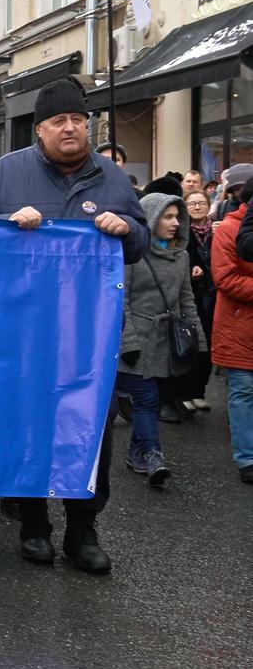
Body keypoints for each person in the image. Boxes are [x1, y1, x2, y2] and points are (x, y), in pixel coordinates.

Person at [0, 77, 149, 574]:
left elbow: (140, 243)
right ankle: (33, 524)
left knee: (92, 430)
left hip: (91, 336)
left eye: (77, 120)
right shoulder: (5, 175)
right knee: (29, 423)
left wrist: (127, 228)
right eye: (58, 121)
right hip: (23, 332)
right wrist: (6, 221)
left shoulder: (112, 178)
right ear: (40, 129)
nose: (70, 128)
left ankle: (83, 530)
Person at [118, 192, 202, 490]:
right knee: (146, 400)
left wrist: (199, 343)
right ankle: (153, 454)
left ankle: (135, 453)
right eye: (167, 216)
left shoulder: (181, 255)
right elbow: (121, 300)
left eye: (177, 217)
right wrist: (127, 342)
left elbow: (186, 299)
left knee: (151, 403)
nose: (175, 222)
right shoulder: (130, 253)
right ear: (151, 218)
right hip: (138, 340)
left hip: (167, 343)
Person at [212, 179, 253, 485]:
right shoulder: (229, 229)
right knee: (244, 392)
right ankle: (247, 458)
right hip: (239, 325)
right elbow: (226, 279)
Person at [178, 189, 217, 412]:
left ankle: (198, 392)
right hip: (189, 293)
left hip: (212, 292)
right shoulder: (180, 230)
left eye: (201, 203)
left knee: (208, 343)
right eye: (192, 203)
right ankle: (184, 392)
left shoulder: (215, 229)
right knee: (188, 342)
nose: (196, 207)